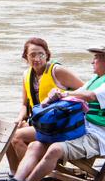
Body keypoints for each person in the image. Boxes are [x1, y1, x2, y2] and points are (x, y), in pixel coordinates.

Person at [0, 38, 105, 181]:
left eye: (96, 57)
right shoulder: (95, 80)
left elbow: (89, 96)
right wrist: (52, 98)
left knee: (54, 149)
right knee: (36, 144)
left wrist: (65, 93)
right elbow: (77, 95)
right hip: (79, 128)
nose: (92, 61)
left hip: (98, 136)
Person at [10, 38, 83, 169]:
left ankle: (27, 179)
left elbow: (85, 91)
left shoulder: (57, 71)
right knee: (9, 133)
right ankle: (14, 173)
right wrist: (19, 119)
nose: (37, 58)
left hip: (59, 125)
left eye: (41, 54)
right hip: (41, 123)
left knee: (16, 137)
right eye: (32, 55)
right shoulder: (26, 75)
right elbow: (25, 105)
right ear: (26, 57)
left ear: (47, 55)